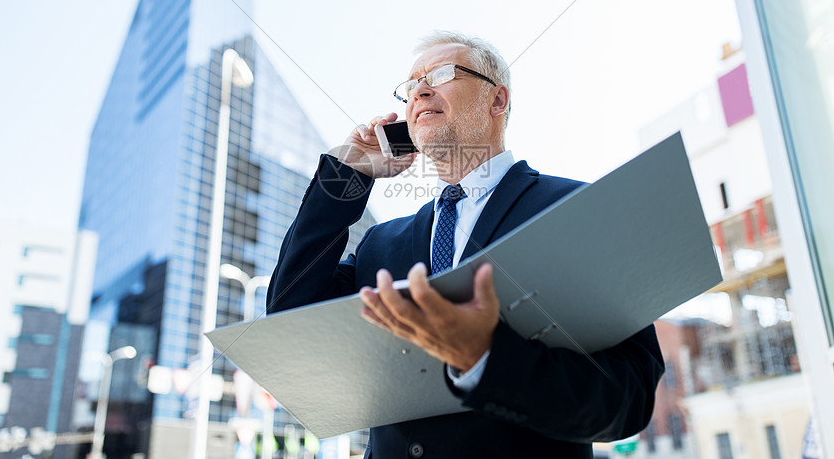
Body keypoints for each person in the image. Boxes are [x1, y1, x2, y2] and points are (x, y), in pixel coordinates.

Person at [267, 31, 664, 458]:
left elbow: (628, 398)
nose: (419, 91)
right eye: (411, 85)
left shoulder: (578, 210)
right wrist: (347, 174)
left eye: (440, 74)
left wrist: (485, 357)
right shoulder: (381, 243)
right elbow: (289, 310)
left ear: (497, 101)